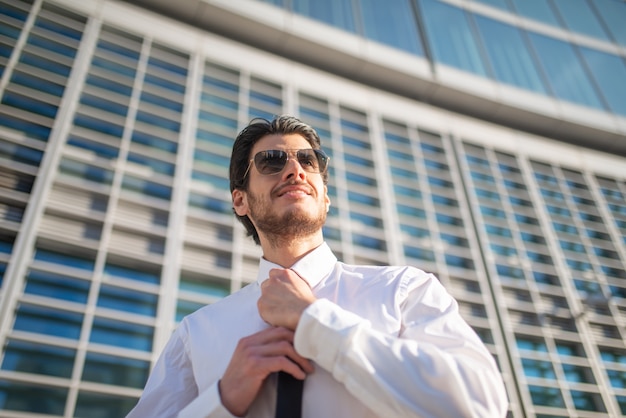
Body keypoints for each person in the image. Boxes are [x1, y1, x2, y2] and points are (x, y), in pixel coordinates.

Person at [126, 115, 508, 417]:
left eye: (308, 160)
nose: (295, 170)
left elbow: (479, 405)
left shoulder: (404, 290)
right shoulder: (196, 335)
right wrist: (222, 401)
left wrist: (316, 322)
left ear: (325, 198)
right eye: (272, 161)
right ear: (240, 201)